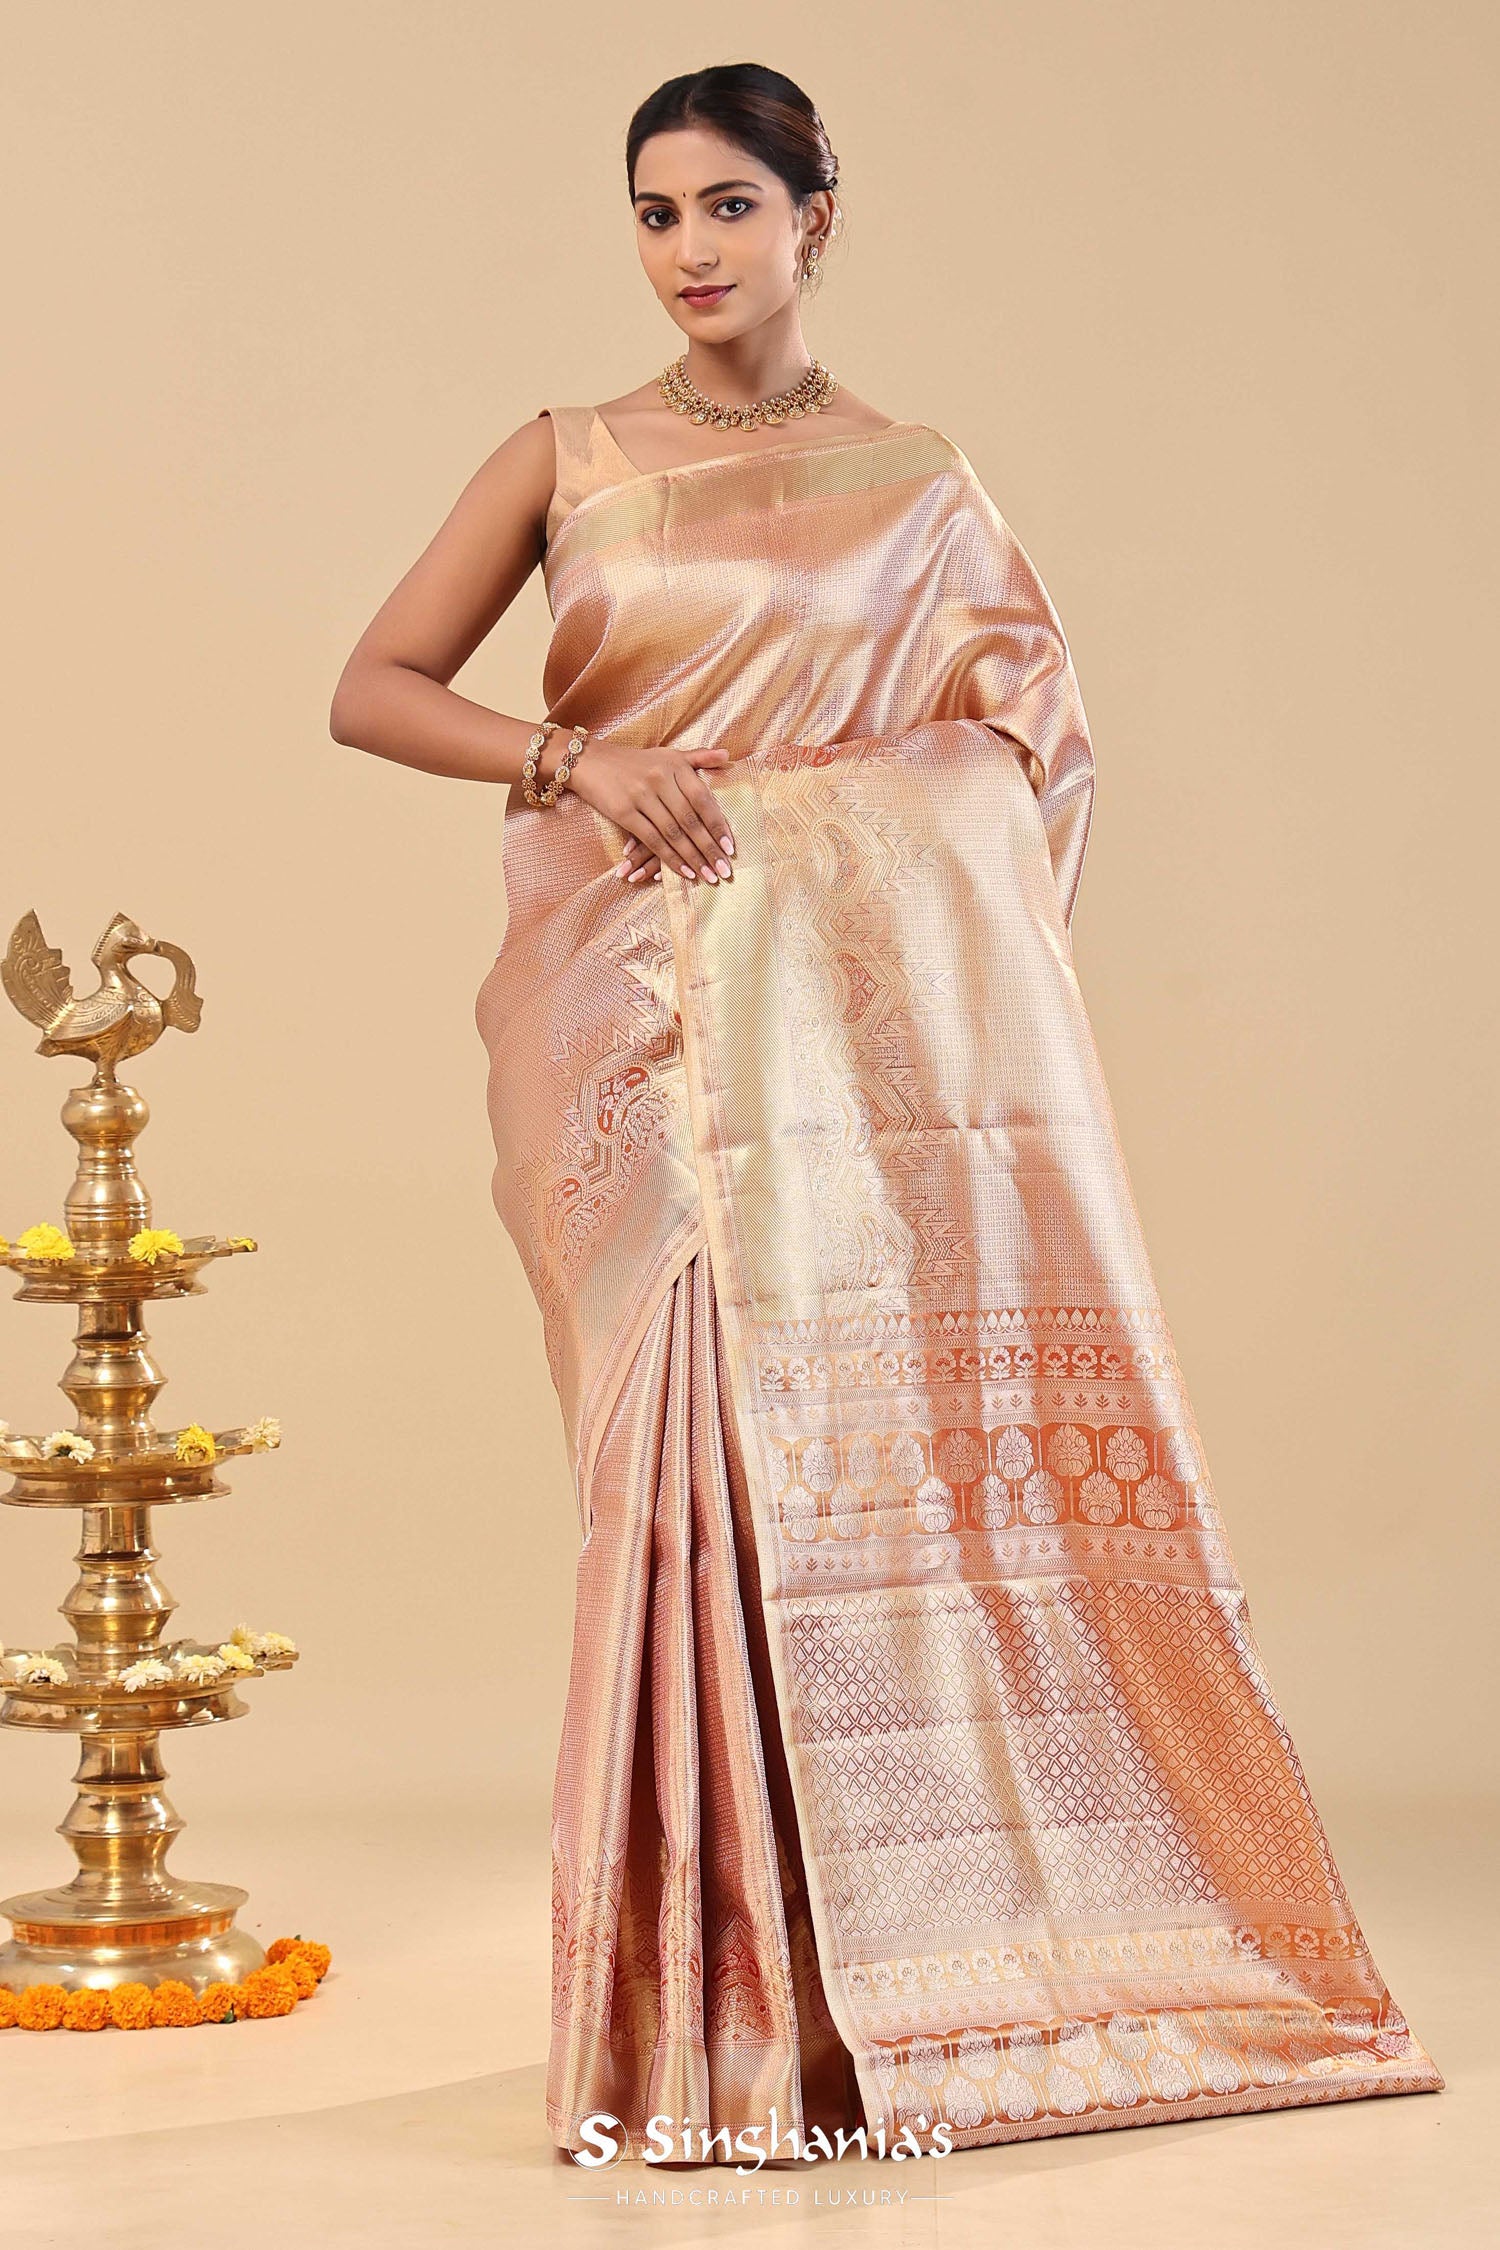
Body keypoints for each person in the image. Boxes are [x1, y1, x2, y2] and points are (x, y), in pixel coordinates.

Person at [330, 60, 1442, 2166]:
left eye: (729, 205)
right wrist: (575, 763)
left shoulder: (921, 484)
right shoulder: (567, 458)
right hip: (640, 1034)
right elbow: (371, 687)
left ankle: (878, 1992)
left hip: (849, 1065)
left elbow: (1031, 763)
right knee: (686, 1478)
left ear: (817, 216)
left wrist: (828, 855)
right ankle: (706, 2011)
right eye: (654, 211)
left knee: (858, 1483)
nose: (688, 250)